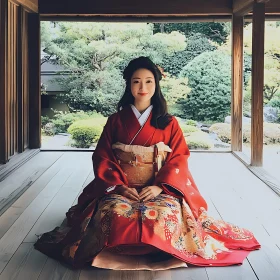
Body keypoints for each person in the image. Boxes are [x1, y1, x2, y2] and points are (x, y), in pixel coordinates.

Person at [34, 56, 260, 270]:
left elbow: (179, 157)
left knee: (164, 214)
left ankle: (158, 248)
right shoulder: (115, 121)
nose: (143, 86)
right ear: (128, 85)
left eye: (149, 81)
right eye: (136, 81)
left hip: (159, 187)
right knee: (112, 212)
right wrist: (120, 187)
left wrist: (160, 186)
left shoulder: (169, 123)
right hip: (121, 186)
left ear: (156, 84)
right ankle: (121, 249)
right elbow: (102, 156)